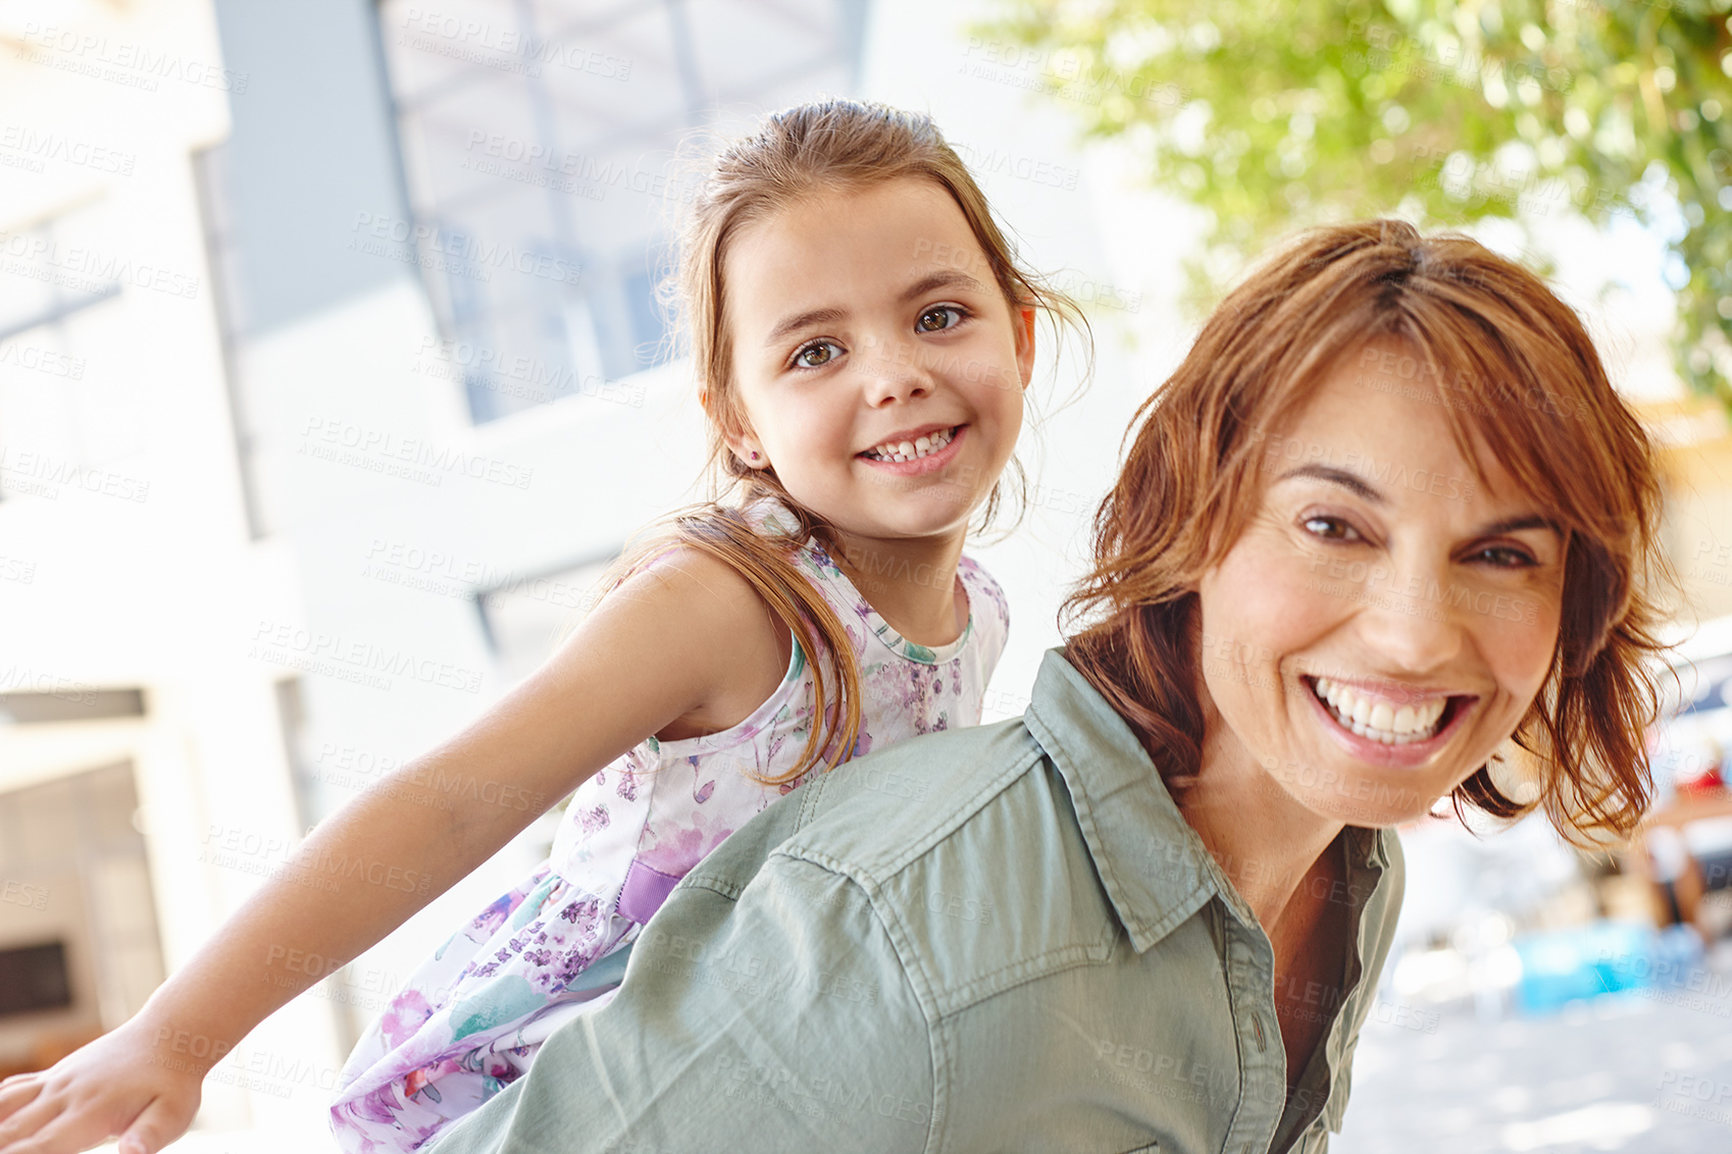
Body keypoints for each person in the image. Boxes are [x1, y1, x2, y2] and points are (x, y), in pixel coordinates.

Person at [424, 219, 1676, 1154]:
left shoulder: (1350, 869)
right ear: (1196, 520)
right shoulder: (919, 929)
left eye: (1502, 552)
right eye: (1332, 527)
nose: (1412, 637)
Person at [0, 100, 1088, 1154]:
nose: (895, 376)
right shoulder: (726, 601)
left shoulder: (975, 614)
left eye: (937, 316)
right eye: (813, 351)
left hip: (759, 1082)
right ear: (740, 424)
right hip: (552, 1088)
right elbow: (443, 807)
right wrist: (173, 1036)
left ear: (1021, 336)